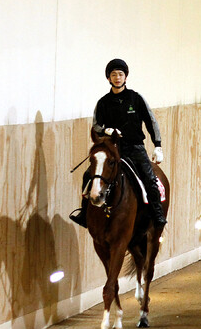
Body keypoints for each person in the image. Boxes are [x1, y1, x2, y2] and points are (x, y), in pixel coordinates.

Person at [70, 58, 167, 229]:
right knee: (88, 175)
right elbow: (96, 125)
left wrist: (157, 145)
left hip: (135, 147)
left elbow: (151, 122)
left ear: (126, 77)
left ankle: (157, 214)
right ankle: (85, 214)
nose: (117, 77)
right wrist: (106, 130)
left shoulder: (136, 99)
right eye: (113, 75)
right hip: (112, 148)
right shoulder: (103, 102)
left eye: (120, 74)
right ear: (108, 78)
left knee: (149, 178)